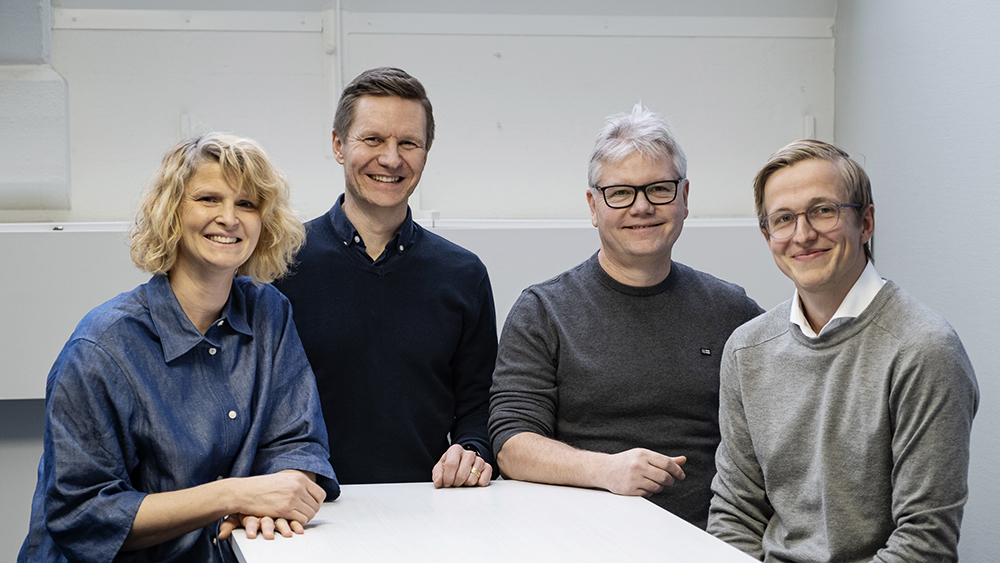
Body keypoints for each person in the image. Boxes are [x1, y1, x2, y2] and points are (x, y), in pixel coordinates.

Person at [18, 133, 339, 563]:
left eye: (247, 204)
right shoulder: (101, 349)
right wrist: (231, 495)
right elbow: (84, 514)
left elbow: (296, 440)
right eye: (208, 199)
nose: (229, 218)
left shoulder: (269, 312)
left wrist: (277, 501)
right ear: (171, 213)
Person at [488, 104, 763, 529]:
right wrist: (605, 470)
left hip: (708, 541)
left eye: (659, 189)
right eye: (620, 193)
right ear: (593, 206)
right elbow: (511, 444)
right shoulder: (543, 311)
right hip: (578, 542)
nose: (641, 207)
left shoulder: (732, 311)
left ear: (685, 198)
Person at [708, 139, 979, 562]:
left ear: (866, 222)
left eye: (823, 211)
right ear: (768, 236)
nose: (803, 234)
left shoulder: (924, 350)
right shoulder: (747, 350)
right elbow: (735, 513)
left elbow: (925, 542)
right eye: (783, 218)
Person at [274, 67, 496, 488]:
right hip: (305, 512)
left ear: (426, 151)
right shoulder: (279, 264)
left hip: (428, 506)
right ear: (339, 145)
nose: (391, 159)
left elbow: (479, 408)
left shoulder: (463, 275)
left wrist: (472, 451)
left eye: (408, 143)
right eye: (372, 139)